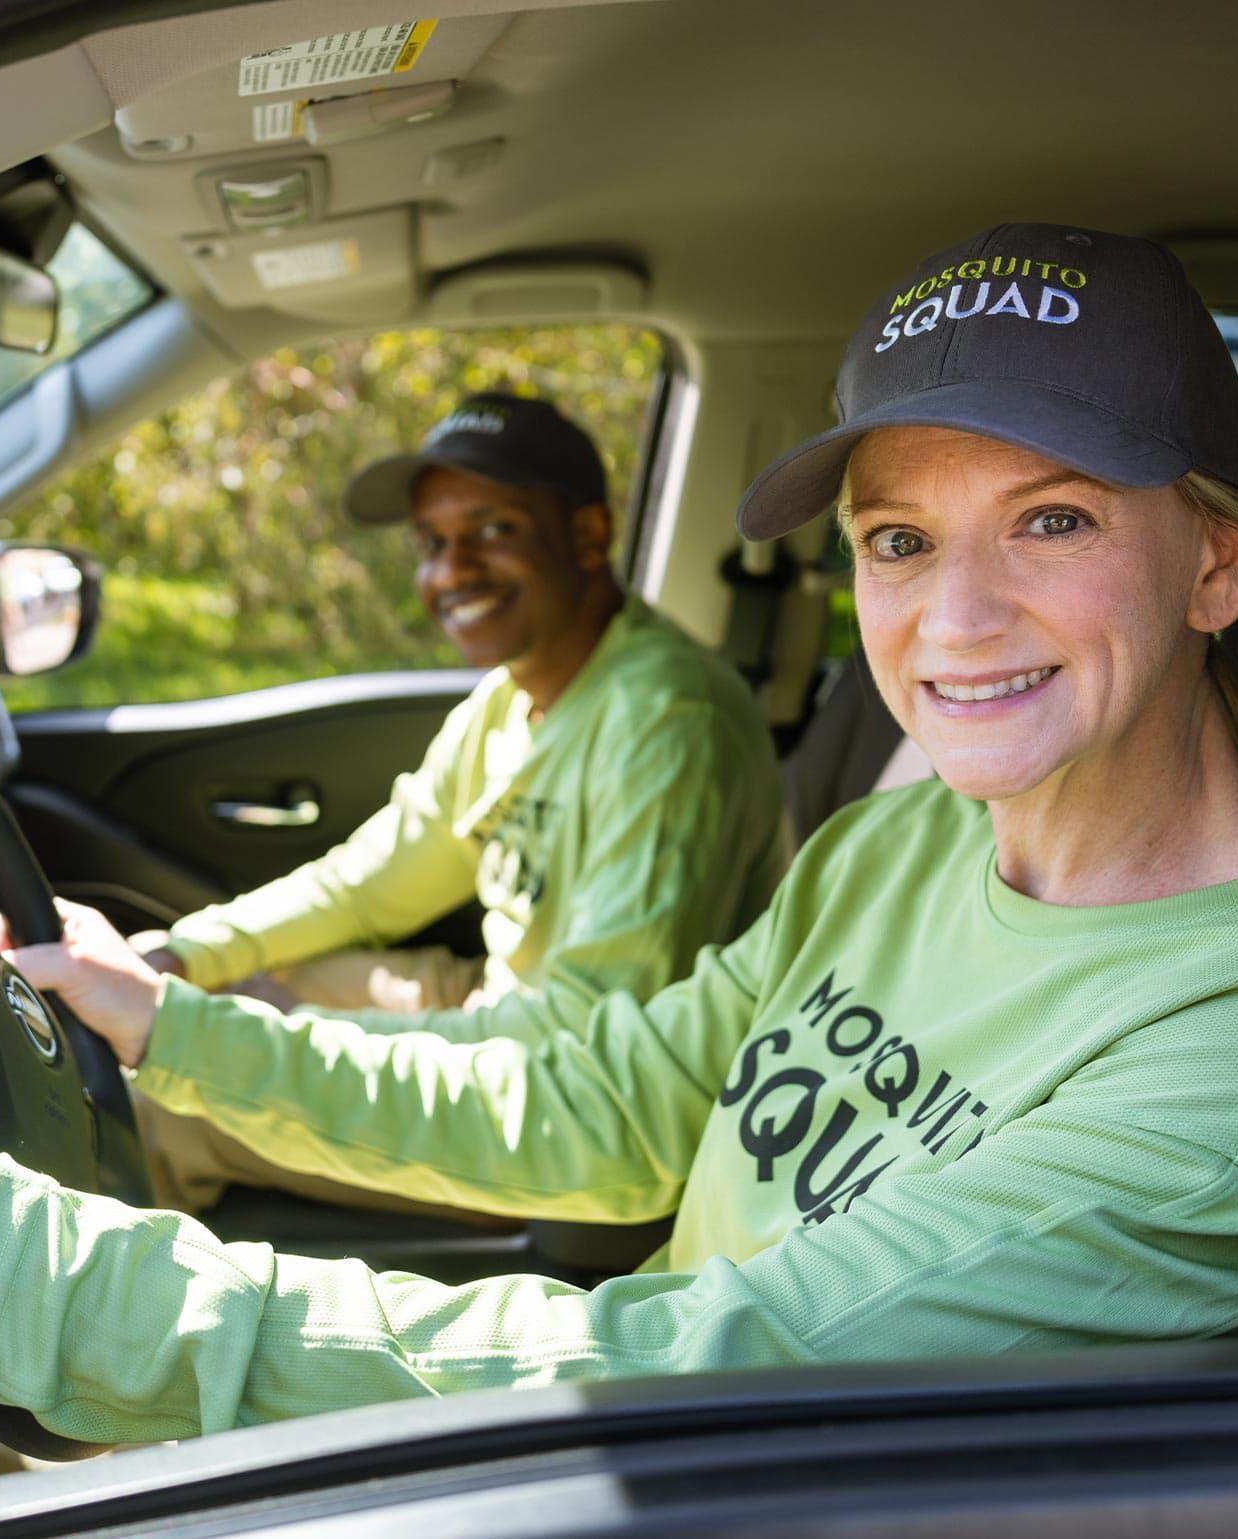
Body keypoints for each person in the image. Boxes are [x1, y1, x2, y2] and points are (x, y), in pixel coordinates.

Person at [0, 225, 1238, 1464]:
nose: (955, 618)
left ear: (1218, 568)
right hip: (644, 1453)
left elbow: (730, 1359)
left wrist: (45, 1280)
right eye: (895, 536)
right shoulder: (910, 842)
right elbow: (618, 1102)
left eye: (1057, 519)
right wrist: (181, 1026)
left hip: (707, 1460)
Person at [128, 391, 782, 1215]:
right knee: (241, 983)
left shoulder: (669, 721)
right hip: (508, 1015)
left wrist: (280, 1041)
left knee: (171, 1097)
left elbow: (584, 1043)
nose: (451, 570)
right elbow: (368, 883)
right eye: (432, 543)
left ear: (587, 535)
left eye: (493, 530)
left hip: (582, 1116)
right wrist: (184, 955)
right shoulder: (509, 701)